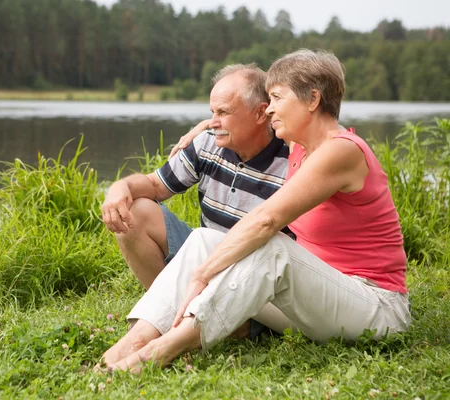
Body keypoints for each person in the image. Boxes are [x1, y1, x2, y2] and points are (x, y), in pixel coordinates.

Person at [99, 49, 411, 374]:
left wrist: (203, 275)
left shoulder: (341, 151)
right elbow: (247, 120)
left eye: (277, 97)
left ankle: (162, 350)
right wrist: (207, 125)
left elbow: (267, 219)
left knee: (273, 246)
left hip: (375, 309)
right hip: (315, 303)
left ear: (313, 99)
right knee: (205, 239)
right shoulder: (302, 146)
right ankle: (131, 344)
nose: (271, 106)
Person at [101, 64, 289, 293]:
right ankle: (167, 305)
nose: (213, 122)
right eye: (212, 112)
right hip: (204, 255)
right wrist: (120, 188)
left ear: (261, 113)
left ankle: (233, 321)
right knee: (135, 211)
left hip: (252, 276)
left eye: (223, 112)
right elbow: (154, 185)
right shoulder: (207, 142)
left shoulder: (294, 159)